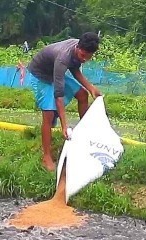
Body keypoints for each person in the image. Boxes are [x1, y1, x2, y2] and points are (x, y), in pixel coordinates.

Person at [26, 32, 102, 171]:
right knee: (48, 114)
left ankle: (85, 134)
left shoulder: (78, 49)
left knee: (83, 95)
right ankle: (47, 156)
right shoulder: (63, 58)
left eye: (88, 57)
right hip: (41, 75)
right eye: (83, 56)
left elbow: (75, 69)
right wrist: (64, 126)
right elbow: (58, 95)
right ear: (77, 48)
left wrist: (91, 88)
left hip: (54, 72)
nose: (84, 59)